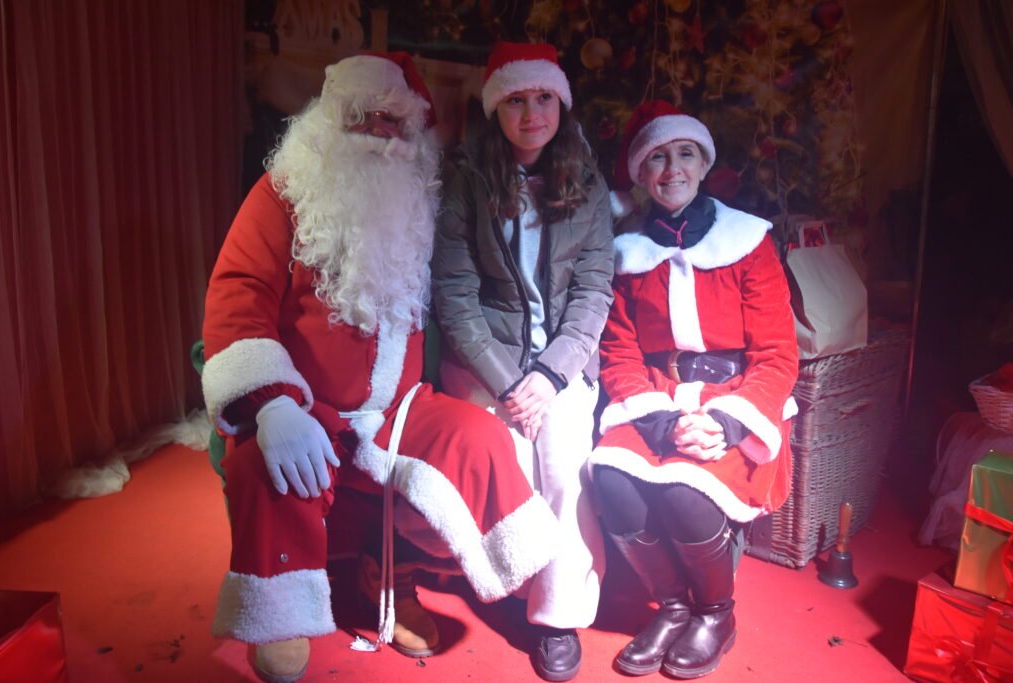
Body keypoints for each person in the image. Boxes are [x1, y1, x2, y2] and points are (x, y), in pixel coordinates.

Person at [201, 52, 560, 683]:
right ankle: (280, 617)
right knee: (265, 468)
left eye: (392, 120)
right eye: (359, 116)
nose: (378, 132)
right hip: (303, 404)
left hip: (398, 408)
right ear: (326, 123)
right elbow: (238, 294)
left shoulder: (424, 198)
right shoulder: (281, 193)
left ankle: (389, 575)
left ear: (412, 130)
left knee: (478, 443)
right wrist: (273, 403)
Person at [588, 100, 799, 679]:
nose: (672, 169)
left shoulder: (748, 242)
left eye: (685, 154)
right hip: (659, 400)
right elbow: (619, 352)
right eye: (657, 158)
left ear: (704, 164)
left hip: (738, 399)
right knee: (611, 479)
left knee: (685, 492)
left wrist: (726, 422)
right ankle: (673, 607)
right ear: (640, 173)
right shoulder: (628, 255)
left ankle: (714, 613)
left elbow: (778, 354)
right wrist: (661, 422)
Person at [432, 41, 614, 683]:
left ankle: (558, 616)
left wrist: (551, 375)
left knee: (564, 464)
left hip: (563, 363)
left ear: (560, 104)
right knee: (508, 459)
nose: (532, 113)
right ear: (495, 109)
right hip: (491, 365)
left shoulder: (587, 184)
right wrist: (511, 384)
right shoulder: (468, 181)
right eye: (515, 100)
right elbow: (454, 296)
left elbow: (593, 292)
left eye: (543, 98)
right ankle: (512, 582)